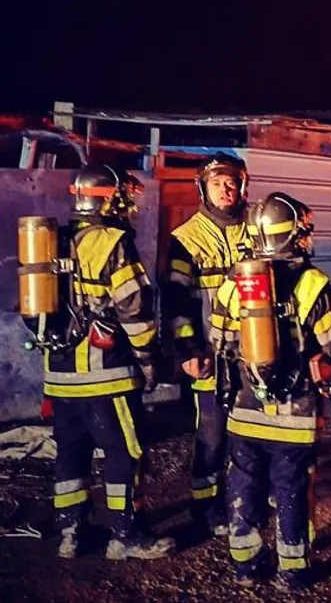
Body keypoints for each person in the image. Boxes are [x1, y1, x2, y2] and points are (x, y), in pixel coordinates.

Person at [35, 164, 174, 560]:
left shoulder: (53, 240)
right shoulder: (114, 242)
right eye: (128, 197)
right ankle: (125, 535)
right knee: (122, 453)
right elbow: (134, 308)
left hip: (60, 377)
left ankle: (71, 534)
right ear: (113, 199)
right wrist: (149, 359)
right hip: (107, 377)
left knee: (71, 455)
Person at [211, 192, 331, 590]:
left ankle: (246, 565)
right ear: (296, 236)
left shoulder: (235, 281)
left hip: (244, 409)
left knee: (243, 483)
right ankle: (294, 569)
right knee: (290, 487)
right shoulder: (312, 282)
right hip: (294, 412)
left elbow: (219, 341)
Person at [160, 152, 251, 537]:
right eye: (216, 183)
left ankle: (245, 500)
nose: (225, 190)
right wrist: (188, 352)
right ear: (203, 188)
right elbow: (176, 301)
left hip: (254, 355)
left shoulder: (258, 230)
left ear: (242, 185)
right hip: (210, 356)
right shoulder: (186, 239)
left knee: (250, 432)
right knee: (211, 434)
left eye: (231, 182)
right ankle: (206, 507)